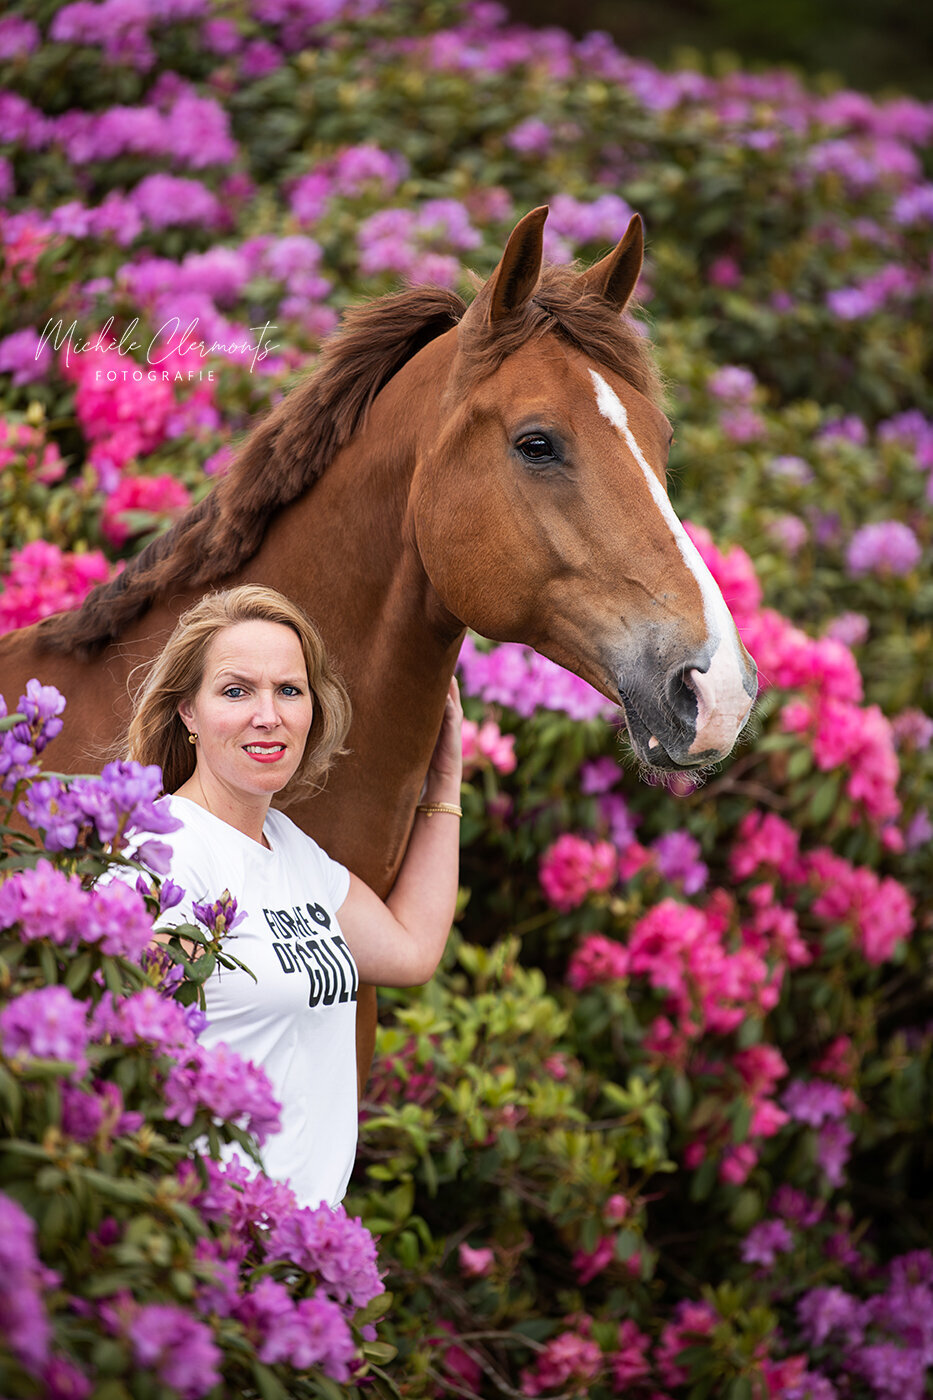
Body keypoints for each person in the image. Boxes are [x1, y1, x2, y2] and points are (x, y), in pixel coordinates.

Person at [125, 584, 462, 1210]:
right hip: (207, 1239)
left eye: (289, 690)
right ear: (188, 714)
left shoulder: (291, 850)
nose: (268, 715)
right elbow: (121, 1056)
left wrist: (444, 781)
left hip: (300, 1252)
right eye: (235, 690)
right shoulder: (162, 848)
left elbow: (412, 951)